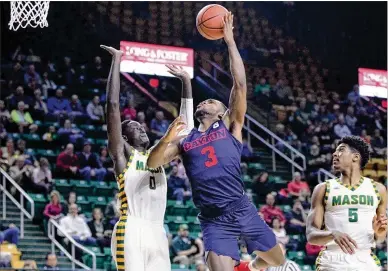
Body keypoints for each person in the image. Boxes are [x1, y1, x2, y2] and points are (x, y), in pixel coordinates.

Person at [147, 13, 284, 271]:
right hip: (213, 220)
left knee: (278, 260)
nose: (203, 101)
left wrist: (230, 41)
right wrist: (167, 137)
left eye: (210, 101)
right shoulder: (185, 140)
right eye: (202, 101)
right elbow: (152, 163)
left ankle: (250, 268)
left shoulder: (231, 126)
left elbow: (240, 85)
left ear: (222, 112)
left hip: (241, 207)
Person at [101, 44, 193, 271]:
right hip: (132, 228)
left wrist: (186, 82)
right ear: (123, 137)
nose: (141, 128)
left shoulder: (157, 156)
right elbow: (112, 106)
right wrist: (117, 61)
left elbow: (186, 128)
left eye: (141, 126)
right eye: (134, 127)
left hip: (158, 232)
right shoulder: (123, 156)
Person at [306, 136, 387, 271]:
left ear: (355, 157)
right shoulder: (323, 189)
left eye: (341, 150)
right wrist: (332, 234)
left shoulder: (378, 189)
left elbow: (380, 238)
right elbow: (311, 235)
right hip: (333, 258)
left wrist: (379, 233)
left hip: (365, 258)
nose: (334, 154)